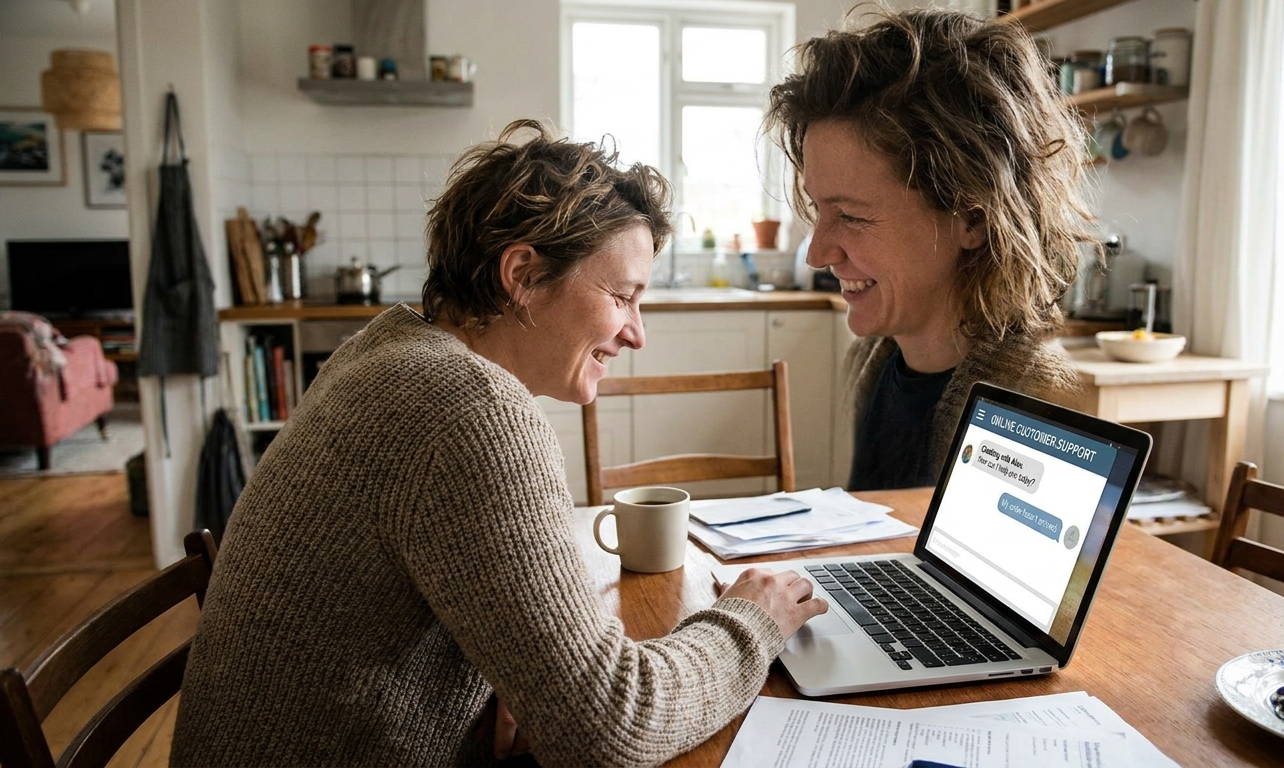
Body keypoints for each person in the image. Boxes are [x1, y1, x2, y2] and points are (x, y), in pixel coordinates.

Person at [170, 120, 827, 767]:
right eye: (622, 297)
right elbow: (610, 729)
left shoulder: (388, 348)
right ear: (522, 274)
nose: (636, 333)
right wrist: (751, 620)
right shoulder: (468, 407)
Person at [766, 7, 1094, 491]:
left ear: (973, 219)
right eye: (819, 211)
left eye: (851, 215)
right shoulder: (872, 363)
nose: (818, 254)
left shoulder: (1034, 400)